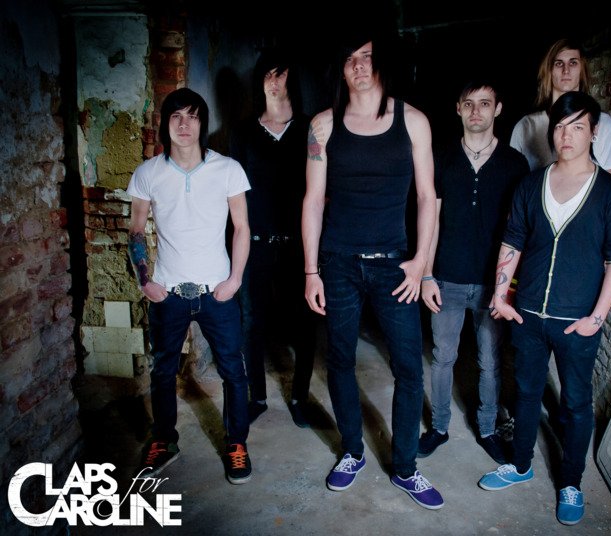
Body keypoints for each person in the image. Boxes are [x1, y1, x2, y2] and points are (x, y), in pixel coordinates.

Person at [302, 34, 443, 509]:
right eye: (349, 59)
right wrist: (310, 270)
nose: (359, 66)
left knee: (409, 367)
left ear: (380, 64)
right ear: (340, 70)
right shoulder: (323, 125)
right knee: (340, 360)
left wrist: (421, 263)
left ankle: (405, 468)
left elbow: (427, 198)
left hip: (394, 266)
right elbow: (313, 201)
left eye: (366, 57)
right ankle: (352, 452)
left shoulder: (413, 121)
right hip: (338, 263)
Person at [478, 91, 611, 526]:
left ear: (594, 133)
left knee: (576, 404)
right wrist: (501, 296)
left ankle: (571, 482)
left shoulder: (610, 193)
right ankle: (520, 464)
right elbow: (512, 241)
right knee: (526, 393)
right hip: (528, 314)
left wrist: (596, 319)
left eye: (577, 126)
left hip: (576, 321)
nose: (567, 135)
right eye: (561, 126)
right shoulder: (531, 184)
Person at [127, 87, 253, 485]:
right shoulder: (148, 173)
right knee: (163, 371)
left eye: (193, 116)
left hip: (217, 292)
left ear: (203, 122)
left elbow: (242, 228)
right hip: (169, 293)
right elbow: (136, 230)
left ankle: (236, 443)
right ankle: (164, 440)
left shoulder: (227, 169)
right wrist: (145, 281)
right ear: (165, 123)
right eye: (176, 116)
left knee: (233, 370)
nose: (184, 124)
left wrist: (235, 279)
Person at [418, 79, 528, 464]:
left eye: (484, 103)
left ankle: (487, 428)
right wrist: (426, 275)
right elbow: (430, 221)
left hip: (491, 283)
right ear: (458, 109)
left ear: (498, 109)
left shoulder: (514, 163)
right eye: (469, 104)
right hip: (446, 277)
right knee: (442, 357)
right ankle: (439, 427)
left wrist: (508, 286)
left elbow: (518, 230)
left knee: (490, 361)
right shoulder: (442, 157)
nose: (476, 111)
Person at [230, 49, 316, 428]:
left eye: (280, 74)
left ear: (291, 80)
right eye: (267, 74)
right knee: (252, 321)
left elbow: (322, 189)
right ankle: (258, 398)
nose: (273, 81)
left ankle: (299, 398)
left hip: (299, 244)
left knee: (305, 321)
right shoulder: (243, 133)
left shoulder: (310, 129)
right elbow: (233, 194)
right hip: (256, 242)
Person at [510, 38, 611, 174]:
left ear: (582, 69)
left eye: (573, 63)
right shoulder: (525, 126)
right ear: (549, 70)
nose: (566, 70)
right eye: (559, 63)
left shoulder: (605, 125)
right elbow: (515, 180)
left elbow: (608, 184)